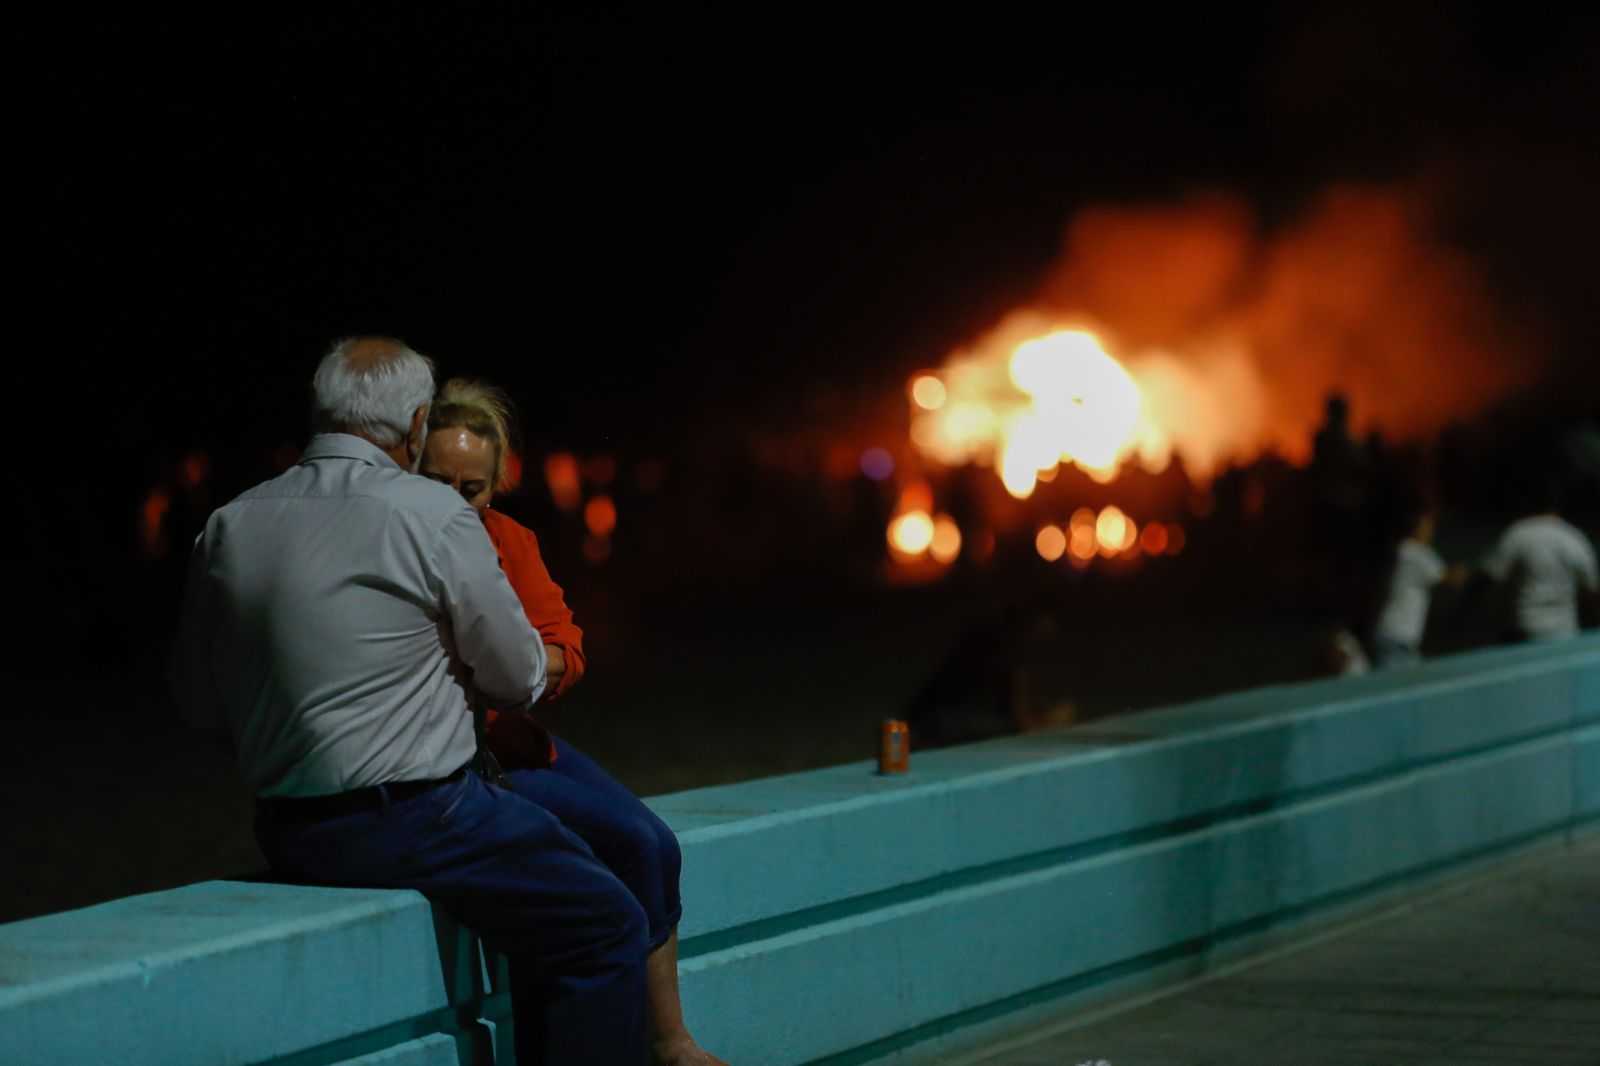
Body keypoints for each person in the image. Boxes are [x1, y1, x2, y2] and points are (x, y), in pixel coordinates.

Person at [171, 337, 650, 1065]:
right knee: (605, 921)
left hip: (289, 826)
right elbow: (517, 677)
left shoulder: (229, 524)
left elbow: (201, 704)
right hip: (424, 816)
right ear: (418, 423)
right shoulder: (430, 514)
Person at [421, 378, 727, 1066]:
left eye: (470, 487)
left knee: (655, 843)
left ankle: (669, 1039)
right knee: (607, 855)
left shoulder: (507, 539)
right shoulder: (397, 546)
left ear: (496, 485)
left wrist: (523, 669)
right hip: (460, 765)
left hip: (510, 740)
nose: (453, 502)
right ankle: (652, 1044)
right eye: (435, 482)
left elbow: (566, 644)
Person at [1476, 481, 1600, 642]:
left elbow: (1488, 577)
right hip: (1565, 630)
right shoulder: (1575, 538)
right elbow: (1592, 591)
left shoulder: (1518, 533)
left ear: (1527, 504)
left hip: (1524, 628)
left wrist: (1458, 615)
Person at [1369, 507, 1456, 668]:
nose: (1431, 531)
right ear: (1415, 528)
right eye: (1427, 527)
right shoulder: (1418, 553)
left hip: (1387, 631)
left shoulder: (1399, 549)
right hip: (1399, 635)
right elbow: (1448, 578)